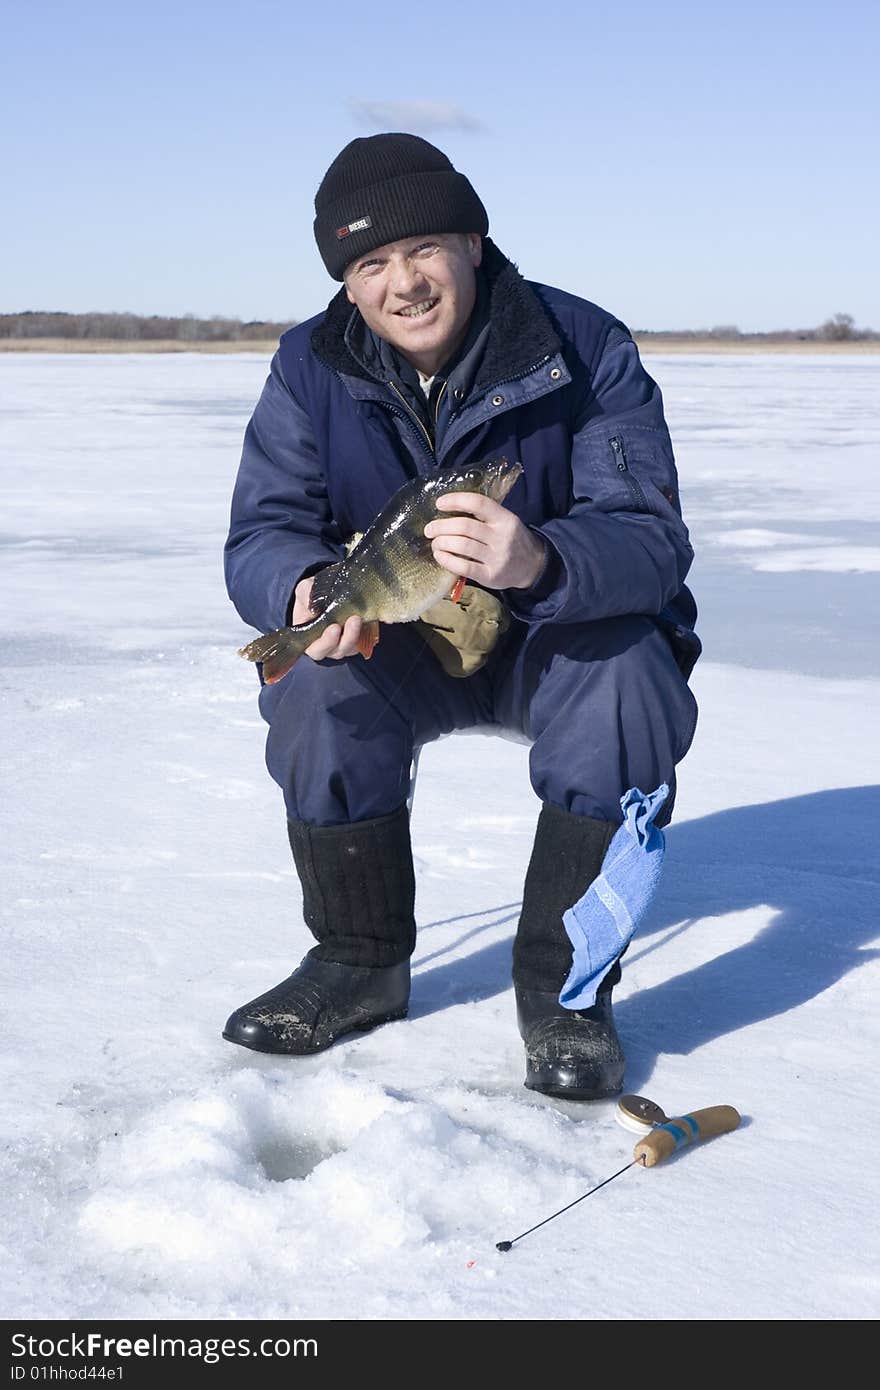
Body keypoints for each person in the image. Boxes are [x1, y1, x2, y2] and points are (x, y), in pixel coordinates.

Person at [222, 133, 701, 1099]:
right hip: (398, 635)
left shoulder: (584, 344)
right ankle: (359, 961)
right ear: (349, 285)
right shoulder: (307, 369)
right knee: (314, 688)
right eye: (370, 264)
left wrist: (543, 558)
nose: (403, 282)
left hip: (548, 638)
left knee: (629, 677)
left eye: (423, 249)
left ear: (473, 244)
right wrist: (307, 592)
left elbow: (650, 537)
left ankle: (564, 993)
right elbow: (265, 531)